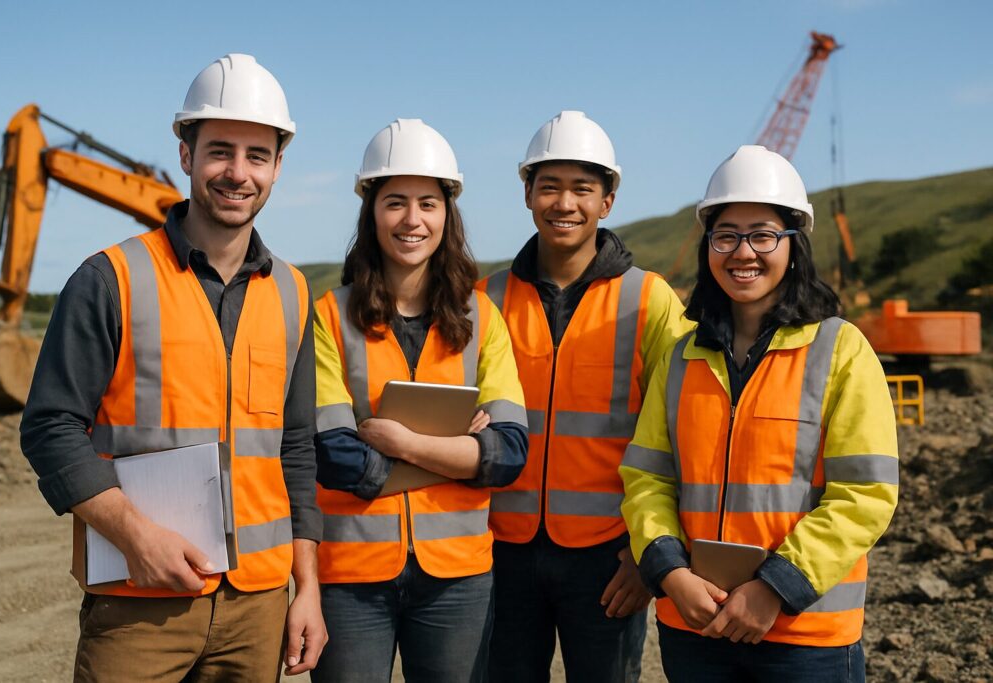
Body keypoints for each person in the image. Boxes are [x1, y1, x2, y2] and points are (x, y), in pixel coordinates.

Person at [19, 53, 327, 681]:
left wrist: (308, 588)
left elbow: (294, 450)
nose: (238, 173)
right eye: (219, 151)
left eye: (257, 155)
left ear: (277, 167)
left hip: (259, 607)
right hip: (139, 603)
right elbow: (50, 428)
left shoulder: (294, 294)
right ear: (185, 154)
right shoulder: (110, 279)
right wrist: (136, 535)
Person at [620, 145, 899, 682]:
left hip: (804, 635)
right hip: (695, 626)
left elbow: (865, 495)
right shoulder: (681, 358)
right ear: (708, 247)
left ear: (794, 247)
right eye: (726, 236)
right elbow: (647, 478)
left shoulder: (841, 351)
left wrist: (775, 589)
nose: (742, 252)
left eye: (763, 235)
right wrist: (670, 572)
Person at [311, 118, 529, 683]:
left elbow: (507, 455)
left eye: (428, 203)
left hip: (458, 578)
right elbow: (337, 459)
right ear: (371, 211)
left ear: (447, 214)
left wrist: (400, 441)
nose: (413, 220)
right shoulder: (329, 317)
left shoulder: (484, 320)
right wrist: (461, 454)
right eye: (396, 203)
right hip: (352, 576)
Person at [479, 110, 691, 682]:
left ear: (608, 201)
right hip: (501, 548)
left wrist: (649, 553)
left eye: (582, 188)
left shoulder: (650, 300)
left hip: (609, 556)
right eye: (549, 186)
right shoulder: (486, 297)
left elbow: (683, 433)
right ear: (527, 193)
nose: (564, 203)